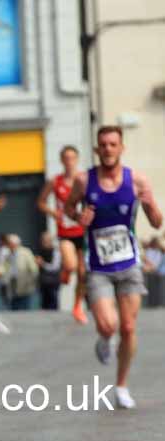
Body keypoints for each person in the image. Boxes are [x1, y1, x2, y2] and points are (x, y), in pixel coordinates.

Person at [66, 125, 163, 409]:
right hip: (98, 267)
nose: (108, 149)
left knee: (129, 327)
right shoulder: (85, 181)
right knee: (109, 326)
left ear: (121, 148)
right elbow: (69, 209)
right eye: (103, 145)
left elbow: (157, 223)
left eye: (113, 144)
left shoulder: (137, 181)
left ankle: (121, 385)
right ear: (97, 149)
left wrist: (150, 205)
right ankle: (104, 338)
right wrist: (78, 216)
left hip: (129, 263)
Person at [38, 145, 88, 324]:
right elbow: (41, 202)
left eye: (72, 158)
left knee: (83, 274)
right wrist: (54, 213)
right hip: (65, 231)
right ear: (61, 160)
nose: (69, 162)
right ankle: (66, 271)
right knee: (71, 265)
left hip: (82, 230)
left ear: (77, 159)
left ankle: (77, 306)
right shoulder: (55, 181)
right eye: (66, 158)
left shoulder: (84, 180)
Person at [36, 232, 62, 310]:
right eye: (43, 240)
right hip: (43, 282)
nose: (44, 242)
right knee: (44, 304)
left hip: (53, 282)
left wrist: (42, 264)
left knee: (53, 303)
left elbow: (55, 267)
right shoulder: (40, 251)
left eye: (46, 240)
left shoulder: (56, 252)